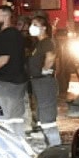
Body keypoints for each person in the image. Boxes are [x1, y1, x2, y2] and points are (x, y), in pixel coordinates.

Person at [0, 5, 28, 137]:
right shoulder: (16, 34)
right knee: (16, 118)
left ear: (6, 16)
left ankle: (4, 145)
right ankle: (19, 143)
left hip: (6, 83)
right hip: (19, 82)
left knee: (2, 120)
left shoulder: (6, 35)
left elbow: (4, 58)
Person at [26, 15, 61, 147]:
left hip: (44, 82)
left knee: (48, 119)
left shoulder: (46, 42)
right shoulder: (39, 43)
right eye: (32, 24)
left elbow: (51, 57)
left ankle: (55, 147)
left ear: (44, 27)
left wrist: (45, 70)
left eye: (36, 24)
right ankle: (47, 146)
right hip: (38, 82)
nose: (32, 27)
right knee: (41, 115)